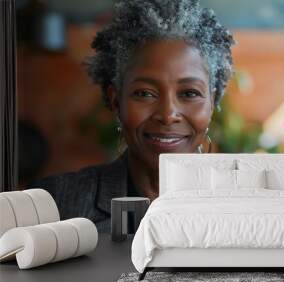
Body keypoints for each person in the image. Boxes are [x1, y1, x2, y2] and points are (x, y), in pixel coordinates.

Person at [29, 0, 235, 232]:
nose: (167, 115)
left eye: (189, 93)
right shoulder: (55, 206)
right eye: (145, 93)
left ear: (212, 102)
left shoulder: (244, 211)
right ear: (117, 100)